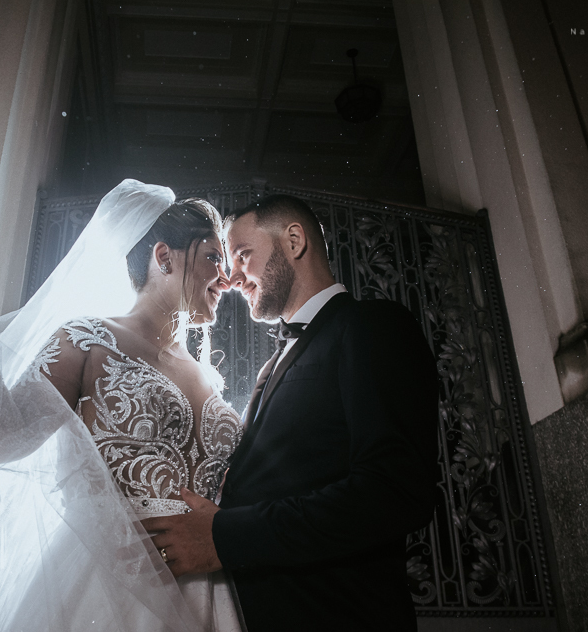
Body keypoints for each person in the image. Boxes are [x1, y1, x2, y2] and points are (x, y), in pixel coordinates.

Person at [0, 180, 247, 631]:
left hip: (212, 594)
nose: (228, 277)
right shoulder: (87, 340)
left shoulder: (208, 377)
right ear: (164, 258)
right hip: (108, 588)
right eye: (213, 257)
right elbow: (2, 434)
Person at [142, 194, 439, 631]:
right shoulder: (273, 364)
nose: (232, 277)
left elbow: (394, 491)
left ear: (295, 240)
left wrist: (225, 536)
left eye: (243, 255)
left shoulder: (371, 326)